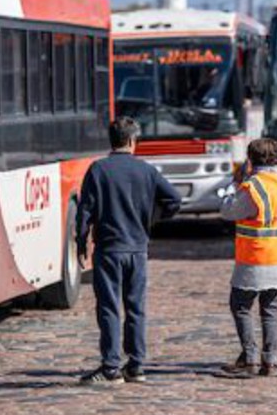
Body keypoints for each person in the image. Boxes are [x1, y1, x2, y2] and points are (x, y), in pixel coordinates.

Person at [76, 116, 182, 384]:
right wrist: (152, 218)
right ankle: (136, 366)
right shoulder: (146, 170)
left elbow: (84, 212)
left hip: (109, 249)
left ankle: (111, 367)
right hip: (137, 248)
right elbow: (174, 199)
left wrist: (80, 242)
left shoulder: (98, 170)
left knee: (109, 308)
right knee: (136, 308)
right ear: (133, 141)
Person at [218, 138, 277, 377]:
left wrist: (235, 183)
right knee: (271, 310)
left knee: (240, 306)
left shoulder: (253, 186)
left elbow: (228, 210)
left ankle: (250, 358)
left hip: (257, 257)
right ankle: (270, 360)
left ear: (251, 159)